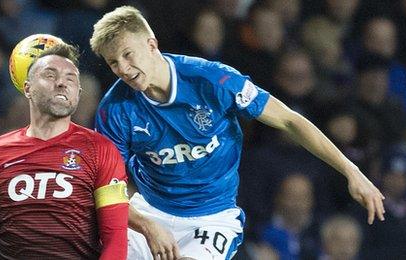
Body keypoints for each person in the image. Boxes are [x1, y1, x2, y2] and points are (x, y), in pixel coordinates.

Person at [90, 6, 386, 260]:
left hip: (211, 218)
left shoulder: (212, 80)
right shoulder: (114, 110)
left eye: (128, 55)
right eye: (113, 62)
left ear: (151, 44)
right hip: (148, 212)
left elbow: (289, 121)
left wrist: (351, 170)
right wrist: (147, 225)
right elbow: (106, 188)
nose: (124, 69)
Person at [0, 43, 129, 259]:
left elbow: (116, 238)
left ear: (78, 93)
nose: (62, 83)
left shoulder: (101, 150)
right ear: (27, 88)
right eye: (50, 75)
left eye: (71, 78)